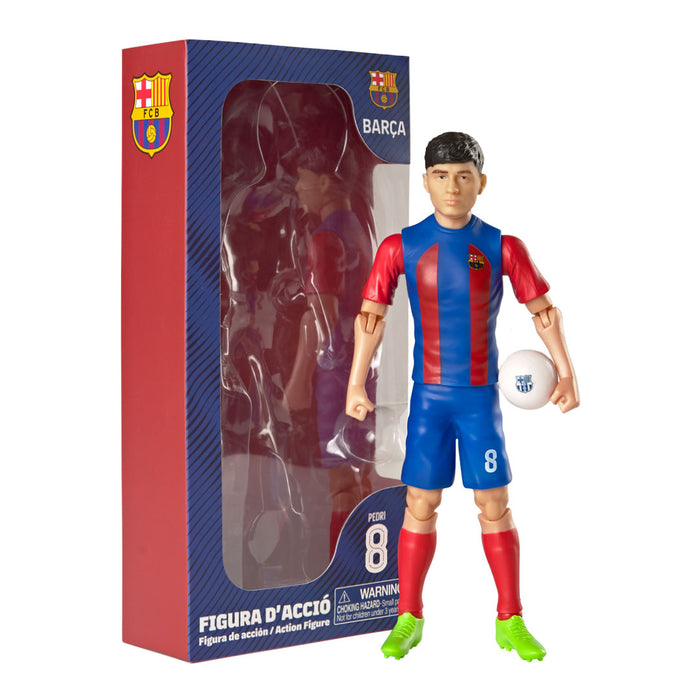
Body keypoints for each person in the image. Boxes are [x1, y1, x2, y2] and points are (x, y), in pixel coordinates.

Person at [346, 132, 579, 661]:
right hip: (428, 400)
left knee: (494, 503)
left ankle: (510, 619)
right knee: (420, 502)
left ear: (481, 183)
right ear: (425, 182)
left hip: (479, 402)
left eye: (463, 176)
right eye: (442, 175)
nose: (452, 186)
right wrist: (357, 382)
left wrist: (566, 374)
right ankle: (408, 615)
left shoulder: (501, 246)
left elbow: (544, 312)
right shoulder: (400, 246)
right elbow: (370, 318)